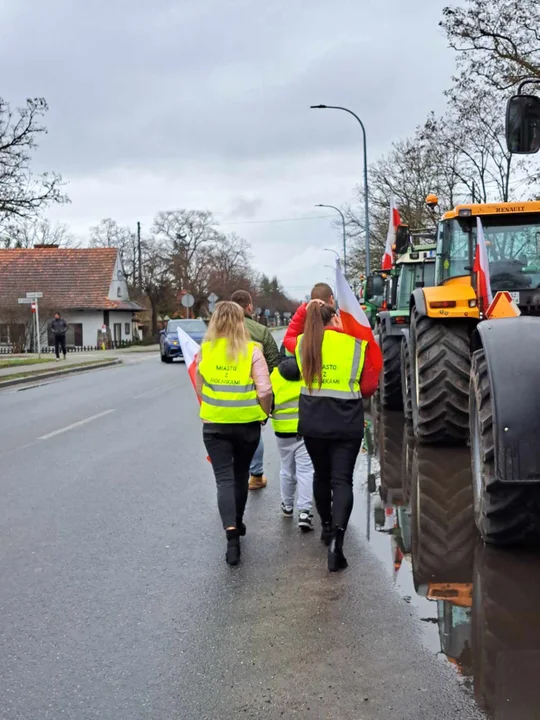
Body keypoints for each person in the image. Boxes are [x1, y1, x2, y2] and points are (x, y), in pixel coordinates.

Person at [295, 302, 381, 572]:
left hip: (313, 424)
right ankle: (337, 546)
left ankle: (326, 527)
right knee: (341, 480)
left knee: (321, 476)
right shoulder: (354, 345)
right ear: (334, 318)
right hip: (346, 423)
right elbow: (368, 387)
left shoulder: (302, 344)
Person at [195, 301, 272, 566]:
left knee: (223, 480)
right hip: (247, 425)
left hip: (215, 426)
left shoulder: (204, 352)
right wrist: (264, 413)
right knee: (240, 476)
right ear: (241, 321)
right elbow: (264, 390)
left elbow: (199, 386)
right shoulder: (252, 351)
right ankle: (238, 522)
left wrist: (211, 408)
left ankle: (231, 538)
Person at [230, 290, 280, 491]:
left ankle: (232, 474)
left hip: (222, 391)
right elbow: (274, 363)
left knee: (227, 434)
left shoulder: (220, 330)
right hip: (252, 391)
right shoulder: (260, 331)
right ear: (249, 307)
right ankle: (256, 475)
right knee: (253, 432)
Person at [270, 355, 314, 531]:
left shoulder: (274, 376)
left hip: (281, 431)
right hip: (304, 430)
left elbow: (267, 396)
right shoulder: (308, 374)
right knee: (306, 470)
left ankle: (287, 506)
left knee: (286, 469)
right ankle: (304, 512)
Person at [283, 282, 335, 355]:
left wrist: (303, 312)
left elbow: (288, 341)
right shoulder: (342, 332)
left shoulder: (304, 342)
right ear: (331, 299)